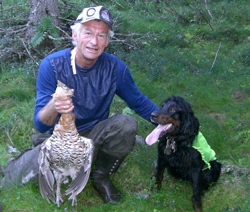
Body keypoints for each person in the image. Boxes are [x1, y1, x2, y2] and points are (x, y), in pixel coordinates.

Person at [1, 6, 158, 204]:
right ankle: (17, 165)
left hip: (95, 134)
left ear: (107, 41)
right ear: (75, 34)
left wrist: (171, 124)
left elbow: (140, 102)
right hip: (61, 137)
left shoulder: (115, 68)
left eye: (101, 35)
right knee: (14, 180)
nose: (94, 41)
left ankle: (100, 176)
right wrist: (54, 105)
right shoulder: (52, 65)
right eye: (88, 33)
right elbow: (40, 124)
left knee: (126, 124)